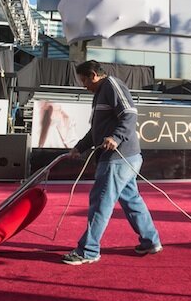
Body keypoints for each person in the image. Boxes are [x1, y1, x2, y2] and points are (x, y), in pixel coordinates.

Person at [61, 60, 162, 265]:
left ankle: (88, 251)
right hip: (123, 158)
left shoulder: (112, 85)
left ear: (93, 75)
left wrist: (116, 137)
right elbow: (95, 131)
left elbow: (130, 114)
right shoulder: (100, 93)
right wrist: (79, 148)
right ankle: (151, 241)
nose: (84, 86)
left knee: (100, 202)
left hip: (118, 158)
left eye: (84, 81)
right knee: (131, 200)